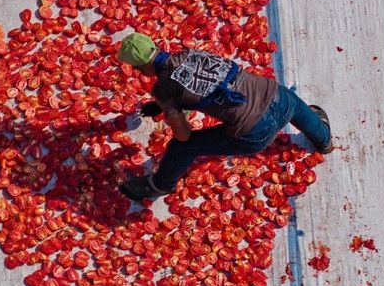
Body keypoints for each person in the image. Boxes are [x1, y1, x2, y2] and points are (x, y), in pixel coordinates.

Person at [115, 32, 333, 201]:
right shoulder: (188, 54)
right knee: (294, 103)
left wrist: (169, 109)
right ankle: (324, 140)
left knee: (181, 147)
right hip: (280, 100)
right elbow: (200, 85)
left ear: (140, 68)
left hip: (255, 133)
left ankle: (159, 185)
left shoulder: (163, 89)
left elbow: (183, 135)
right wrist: (164, 105)